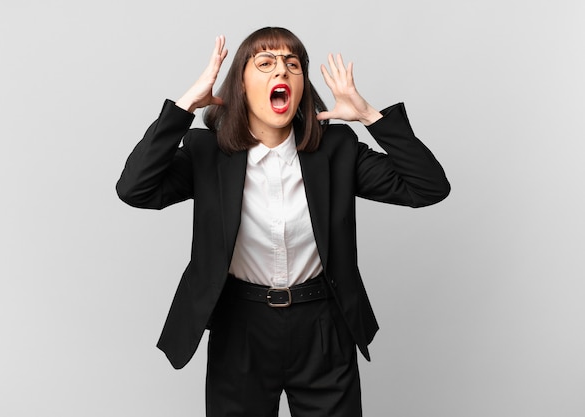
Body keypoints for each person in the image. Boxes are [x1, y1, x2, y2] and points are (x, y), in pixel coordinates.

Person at [116, 26, 450, 417]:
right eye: (266, 63)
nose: (282, 72)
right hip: (240, 327)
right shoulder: (206, 153)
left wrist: (369, 117)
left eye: (293, 64)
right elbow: (134, 189)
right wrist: (186, 105)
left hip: (323, 327)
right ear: (241, 82)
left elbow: (429, 187)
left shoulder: (337, 150)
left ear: (302, 86)